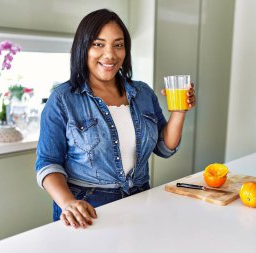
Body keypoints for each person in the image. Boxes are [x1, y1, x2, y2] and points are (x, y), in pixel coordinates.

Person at [35, 9, 196, 229]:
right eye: (98, 44)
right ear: (83, 48)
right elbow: (47, 163)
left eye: (118, 45)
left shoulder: (143, 93)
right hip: (87, 208)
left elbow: (164, 148)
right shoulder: (63, 99)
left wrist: (179, 111)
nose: (110, 54)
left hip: (140, 199)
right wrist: (68, 203)